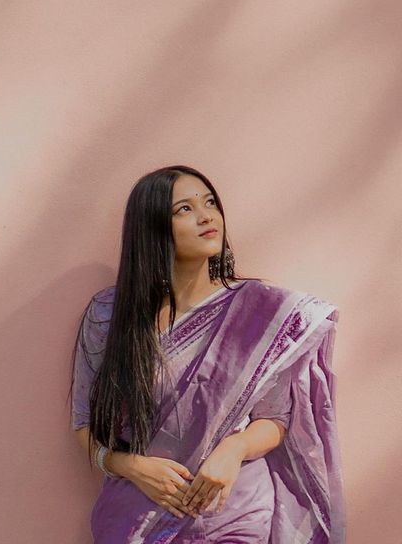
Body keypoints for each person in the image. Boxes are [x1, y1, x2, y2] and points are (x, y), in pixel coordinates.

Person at [68, 165, 345, 544]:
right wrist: (131, 467)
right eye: (184, 209)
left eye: (210, 202)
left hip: (232, 511)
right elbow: (85, 422)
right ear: (152, 228)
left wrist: (234, 448)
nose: (206, 215)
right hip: (135, 515)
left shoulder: (260, 313)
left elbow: (275, 419)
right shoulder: (109, 315)